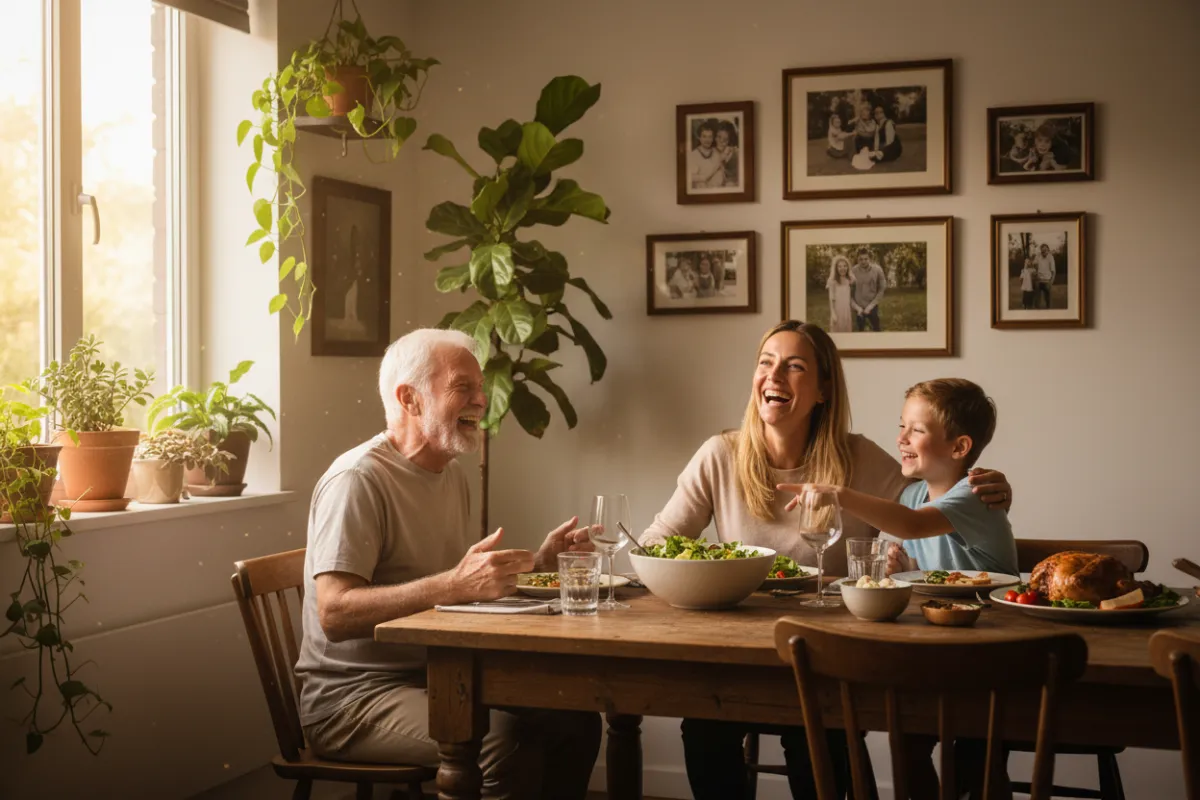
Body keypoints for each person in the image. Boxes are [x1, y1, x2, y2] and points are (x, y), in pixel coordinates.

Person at [640, 320, 1014, 800]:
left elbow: (928, 500)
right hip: (741, 648)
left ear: (822, 390)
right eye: (766, 363)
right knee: (705, 726)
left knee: (825, 730)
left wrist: (990, 486)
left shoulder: (857, 458)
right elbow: (656, 542)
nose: (774, 376)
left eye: (794, 367)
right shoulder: (721, 454)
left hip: (828, 655)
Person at [295, 328, 602, 799]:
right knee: (504, 742)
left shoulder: (449, 474)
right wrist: (452, 586)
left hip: (438, 674)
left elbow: (462, 589)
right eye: (463, 387)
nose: (482, 401)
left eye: (480, 388)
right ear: (410, 399)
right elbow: (335, 613)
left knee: (574, 719)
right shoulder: (357, 479)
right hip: (351, 700)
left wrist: (538, 564)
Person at [782, 378, 1016, 798]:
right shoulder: (910, 494)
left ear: (959, 447)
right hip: (934, 651)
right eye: (901, 426)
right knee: (906, 738)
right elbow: (914, 539)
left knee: (977, 758)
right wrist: (906, 566)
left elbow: (911, 526)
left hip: (991, 655)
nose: (901, 439)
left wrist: (836, 493)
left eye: (916, 430)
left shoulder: (976, 493)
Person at [849, 248, 887, 332]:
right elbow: (848, 292)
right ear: (857, 259)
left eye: (866, 259)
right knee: (860, 329)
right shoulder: (853, 271)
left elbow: (882, 288)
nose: (863, 261)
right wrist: (856, 307)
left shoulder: (878, 270)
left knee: (876, 328)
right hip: (858, 306)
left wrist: (871, 306)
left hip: (872, 304)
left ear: (870, 259)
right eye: (860, 259)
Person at [689, 121, 726, 188]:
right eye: (704, 136)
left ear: (713, 138)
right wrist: (705, 177)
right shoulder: (693, 155)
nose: (707, 140)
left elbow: (722, 175)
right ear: (699, 137)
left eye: (710, 137)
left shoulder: (716, 153)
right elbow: (691, 177)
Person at [826, 255, 855, 332]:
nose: (842, 268)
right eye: (840, 266)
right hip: (837, 310)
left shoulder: (849, 280)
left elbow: (849, 297)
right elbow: (831, 298)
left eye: (845, 266)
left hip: (846, 310)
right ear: (836, 268)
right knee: (837, 329)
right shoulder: (832, 281)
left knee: (847, 328)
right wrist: (833, 313)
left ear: (848, 267)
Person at [715, 120, 740, 185]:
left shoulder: (736, 153)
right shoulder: (712, 152)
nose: (721, 141)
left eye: (725, 139)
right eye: (719, 137)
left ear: (730, 140)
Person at [1034, 242, 1057, 309]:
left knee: (1048, 301)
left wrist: (1051, 282)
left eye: (1045, 250)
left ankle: (1049, 315)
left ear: (1048, 250)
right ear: (1041, 250)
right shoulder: (1038, 256)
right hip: (1038, 281)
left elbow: (1053, 271)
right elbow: (1034, 266)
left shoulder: (1051, 257)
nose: (1043, 252)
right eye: (1042, 251)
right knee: (1037, 301)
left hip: (1047, 281)